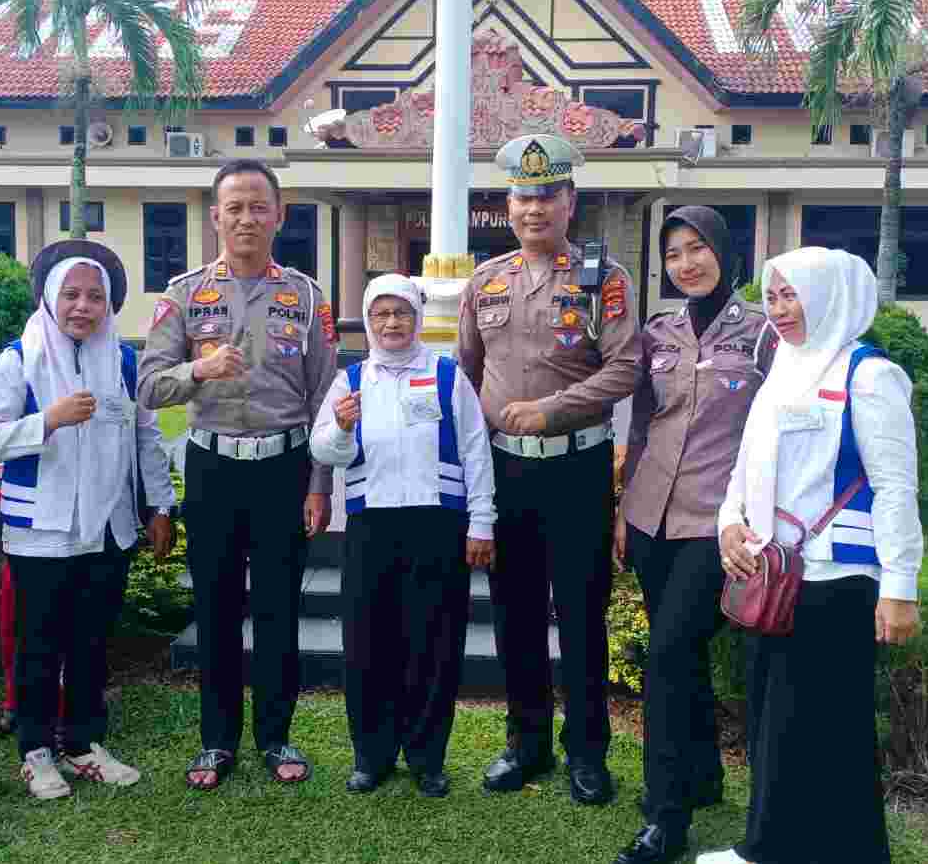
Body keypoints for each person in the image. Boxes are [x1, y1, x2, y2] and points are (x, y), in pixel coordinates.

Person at [700, 247, 924, 864]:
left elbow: (896, 485)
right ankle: (768, 845)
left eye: (792, 294)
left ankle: (830, 850)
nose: (779, 309)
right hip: (777, 574)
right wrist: (729, 524)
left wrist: (900, 584)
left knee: (829, 728)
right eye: (772, 296)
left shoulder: (869, 376)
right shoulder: (784, 366)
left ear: (830, 296)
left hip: (838, 579)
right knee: (773, 719)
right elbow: (748, 465)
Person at [138, 158, 337, 789]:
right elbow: (148, 387)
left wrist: (318, 484)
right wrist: (198, 371)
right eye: (234, 207)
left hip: (284, 468)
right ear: (216, 216)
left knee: (279, 609)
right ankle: (216, 741)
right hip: (214, 468)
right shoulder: (184, 294)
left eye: (259, 206)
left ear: (280, 215)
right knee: (217, 607)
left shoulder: (306, 297)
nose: (246, 218)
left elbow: (326, 400)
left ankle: (276, 736)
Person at [456, 133, 641, 804]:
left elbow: (624, 366)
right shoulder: (487, 279)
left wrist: (551, 410)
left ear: (570, 200)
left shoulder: (601, 277)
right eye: (521, 195)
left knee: (582, 612)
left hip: (576, 469)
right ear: (507, 203)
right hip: (508, 477)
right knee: (516, 612)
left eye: (546, 195)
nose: (533, 207)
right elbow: (466, 378)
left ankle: (587, 751)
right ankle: (524, 742)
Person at [0, 240, 176, 800]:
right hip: (41, 532)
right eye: (71, 295)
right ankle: (36, 752)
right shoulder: (19, 359)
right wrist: (48, 420)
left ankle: (84, 743)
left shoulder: (124, 361)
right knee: (38, 647)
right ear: (49, 297)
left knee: (91, 643)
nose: (83, 306)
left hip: (107, 531)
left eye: (95, 296)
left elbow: (145, 437)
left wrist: (160, 506)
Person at [611, 208, 771, 864]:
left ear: (724, 252)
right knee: (682, 656)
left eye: (697, 248)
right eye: (673, 253)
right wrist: (623, 508)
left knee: (670, 656)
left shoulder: (763, 334)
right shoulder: (659, 332)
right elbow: (642, 424)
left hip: (717, 522)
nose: (685, 263)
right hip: (652, 517)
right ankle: (701, 776)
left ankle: (665, 816)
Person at [309, 274, 497, 798]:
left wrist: (481, 522)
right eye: (380, 314)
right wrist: (343, 429)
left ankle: (426, 757)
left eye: (402, 313)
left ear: (417, 317)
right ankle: (371, 755)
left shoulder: (446, 375)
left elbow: (476, 451)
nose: (392, 323)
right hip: (372, 527)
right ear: (368, 322)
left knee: (434, 645)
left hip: (438, 525)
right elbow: (323, 452)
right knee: (369, 644)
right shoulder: (350, 380)